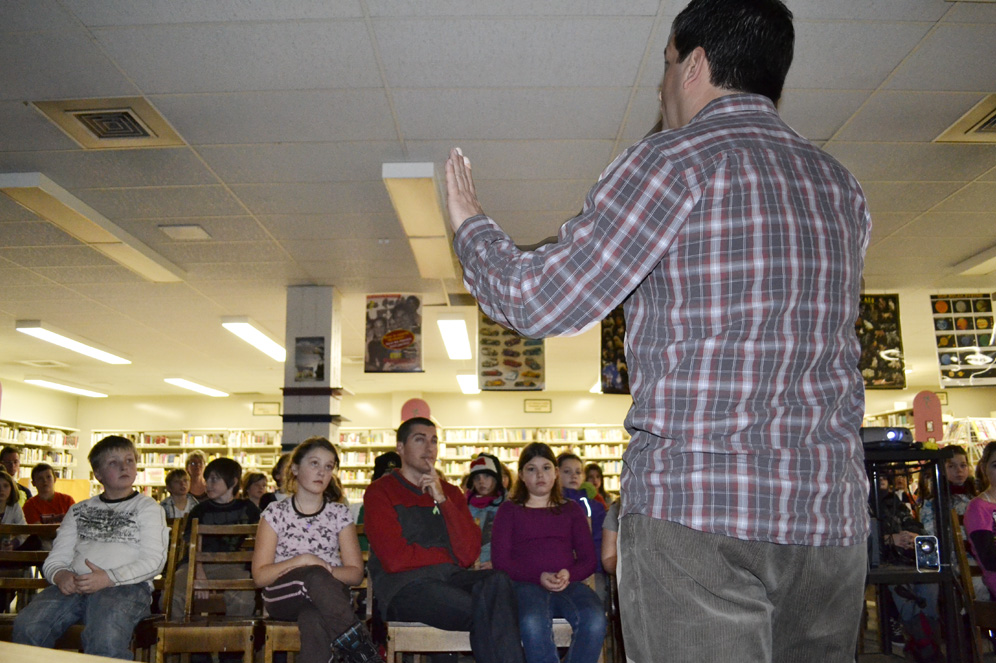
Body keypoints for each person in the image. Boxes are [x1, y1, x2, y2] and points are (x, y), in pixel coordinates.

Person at [445, 0, 870, 659]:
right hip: (830, 520)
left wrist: (469, 225)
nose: (662, 85)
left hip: (697, 516)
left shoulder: (673, 162)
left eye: (666, 65)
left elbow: (539, 301)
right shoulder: (841, 186)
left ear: (693, 63)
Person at [363, 417, 524, 663]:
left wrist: (443, 501)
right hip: (404, 587)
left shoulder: (450, 492)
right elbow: (395, 559)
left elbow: (469, 554)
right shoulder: (379, 491)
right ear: (400, 447)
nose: (429, 448)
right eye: (420, 439)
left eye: (434, 441)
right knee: (490, 612)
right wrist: (447, 555)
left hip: (450, 579)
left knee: (497, 580)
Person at [12, 435, 168, 659]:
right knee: (27, 627)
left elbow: (154, 561)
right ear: (98, 474)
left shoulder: (148, 508)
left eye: (129, 460)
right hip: (74, 584)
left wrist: (109, 577)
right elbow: (56, 558)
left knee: (105, 636)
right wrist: (60, 575)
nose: (124, 466)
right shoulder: (79, 510)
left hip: (125, 587)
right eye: (113, 462)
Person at [252, 437, 380, 663]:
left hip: (329, 599)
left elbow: (354, 574)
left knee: (313, 620)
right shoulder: (275, 513)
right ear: (294, 468)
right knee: (312, 575)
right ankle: (365, 654)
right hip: (284, 596)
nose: (321, 472)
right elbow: (260, 576)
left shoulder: (339, 514)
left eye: (328, 466)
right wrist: (302, 561)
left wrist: (325, 567)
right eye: (314, 463)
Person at [492, 443, 604, 663]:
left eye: (545, 468)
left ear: (555, 473)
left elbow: (589, 560)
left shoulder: (571, 509)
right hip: (524, 584)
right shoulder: (509, 510)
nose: (539, 475)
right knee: (533, 622)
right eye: (531, 469)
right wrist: (539, 577)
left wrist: (567, 574)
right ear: (522, 475)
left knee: (595, 618)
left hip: (567, 583)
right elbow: (501, 561)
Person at [167, 457, 261, 621]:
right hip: (195, 564)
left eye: (214, 479)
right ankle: (180, 640)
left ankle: (235, 642)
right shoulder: (200, 509)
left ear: (232, 482)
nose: (208, 484)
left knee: (244, 597)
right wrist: (199, 574)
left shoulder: (247, 508)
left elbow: (262, 536)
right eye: (207, 479)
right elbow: (193, 546)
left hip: (231, 564)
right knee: (173, 596)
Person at [920, 445, 975, 537]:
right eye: (951, 466)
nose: (959, 470)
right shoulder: (933, 503)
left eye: (963, 465)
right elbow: (932, 534)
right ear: (941, 469)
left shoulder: (975, 498)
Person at [463, 453, 506, 569]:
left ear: (496, 479)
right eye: (477, 478)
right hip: (469, 567)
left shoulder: (507, 506)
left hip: (497, 568)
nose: (481, 482)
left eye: (486, 476)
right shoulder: (464, 506)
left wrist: (498, 563)